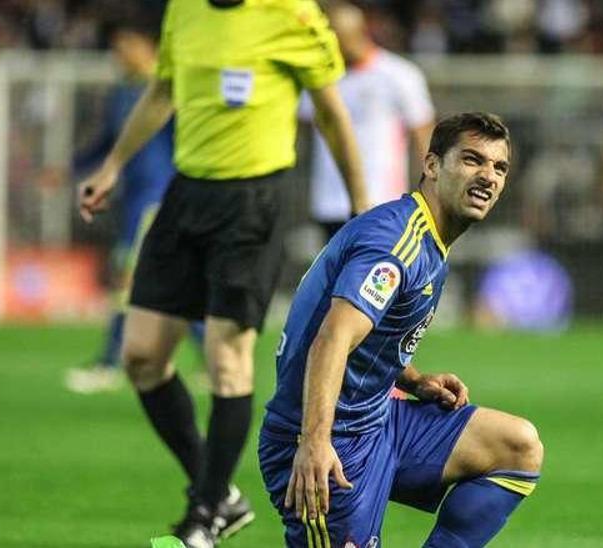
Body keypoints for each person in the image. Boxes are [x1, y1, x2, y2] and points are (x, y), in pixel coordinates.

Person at [75, 0, 369, 546]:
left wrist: (360, 207)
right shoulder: (183, 11)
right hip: (186, 194)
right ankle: (219, 493)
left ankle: (204, 515)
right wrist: (113, 165)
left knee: (226, 359)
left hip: (253, 201)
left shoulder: (293, 15)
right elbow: (164, 92)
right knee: (141, 355)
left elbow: (330, 111)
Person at [259, 112, 543, 547]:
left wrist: (413, 380)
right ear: (431, 165)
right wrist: (314, 444)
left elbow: (369, 340)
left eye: (498, 167)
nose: (488, 176)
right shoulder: (397, 242)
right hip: (325, 440)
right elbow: (332, 338)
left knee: (516, 446)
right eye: (471, 160)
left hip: (378, 421)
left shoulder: (430, 240)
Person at [64, 16, 181, 395]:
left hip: (157, 198)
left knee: (127, 279)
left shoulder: (169, 92)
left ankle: (109, 361)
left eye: (124, 46)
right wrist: (70, 168)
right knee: (165, 284)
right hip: (132, 198)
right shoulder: (123, 93)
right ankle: (209, 360)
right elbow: (108, 144)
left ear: (148, 47)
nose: (118, 54)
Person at [301, 1, 435, 240]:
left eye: (339, 39)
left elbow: (424, 138)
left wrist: (430, 197)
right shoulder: (320, 79)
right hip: (330, 202)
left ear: (359, 34)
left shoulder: (398, 75)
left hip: (381, 200)